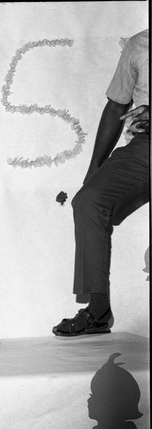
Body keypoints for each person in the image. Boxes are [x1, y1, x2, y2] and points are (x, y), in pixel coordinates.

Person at [53, 29, 149, 336]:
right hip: (145, 146)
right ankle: (97, 310)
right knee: (88, 200)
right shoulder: (139, 44)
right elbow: (117, 106)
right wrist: (94, 168)